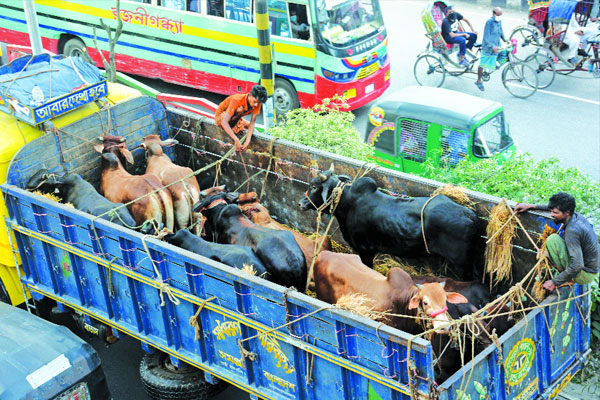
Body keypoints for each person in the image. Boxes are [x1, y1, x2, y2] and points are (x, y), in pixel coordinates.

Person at [515, 192, 599, 292]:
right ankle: (568, 275)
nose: (551, 215)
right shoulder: (575, 216)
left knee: (553, 240)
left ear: (567, 212)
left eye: (555, 213)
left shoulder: (573, 231)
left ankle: (570, 278)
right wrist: (531, 206)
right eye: (552, 211)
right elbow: (552, 208)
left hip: (584, 274)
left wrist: (554, 282)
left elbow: (577, 265)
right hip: (591, 267)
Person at [214, 85, 267, 152]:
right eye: (254, 102)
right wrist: (236, 139)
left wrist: (247, 141)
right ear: (250, 95)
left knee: (254, 130)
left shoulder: (257, 102)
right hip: (221, 118)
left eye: (258, 103)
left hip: (236, 119)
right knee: (240, 110)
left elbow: (252, 123)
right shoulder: (237, 100)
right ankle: (234, 130)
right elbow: (224, 122)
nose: (256, 105)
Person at [475, 7, 507, 91]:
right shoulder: (489, 22)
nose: (500, 16)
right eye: (499, 15)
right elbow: (486, 37)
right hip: (488, 46)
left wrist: (504, 39)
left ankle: (493, 65)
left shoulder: (499, 21)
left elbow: (500, 31)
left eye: (501, 15)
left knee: (504, 54)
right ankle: (478, 80)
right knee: (482, 64)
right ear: (494, 14)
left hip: (497, 44)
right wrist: (492, 46)